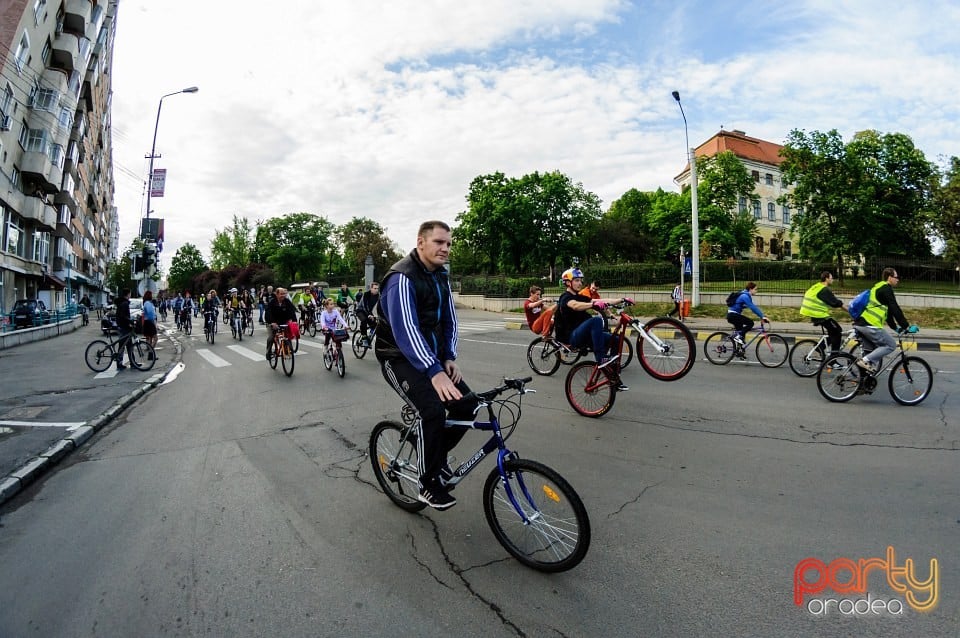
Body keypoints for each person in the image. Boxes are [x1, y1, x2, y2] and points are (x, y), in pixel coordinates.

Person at [376, 220, 476, 510]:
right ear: (421, 243)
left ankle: (434, 457)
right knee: (431, 410)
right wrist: (433, 372)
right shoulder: (401, 278)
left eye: (448, 243)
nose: (446, 248)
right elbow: (405, 331)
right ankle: (427, 483)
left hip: (431, 356)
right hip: (397, 357)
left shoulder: (439, 276)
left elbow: (449, 320)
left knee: (467, 406)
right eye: (439, 242)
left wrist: (448, 357)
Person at [554, 268, 627, 390]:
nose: (580, 283)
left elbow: (600, 300)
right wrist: (592, 305)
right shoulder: (565, 298)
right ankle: (601, 358)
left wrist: (622, 299)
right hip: (573, 336)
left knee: (617, 339)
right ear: (568, 282)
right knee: (596, 320)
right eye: (576, 280)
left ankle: (613, 377)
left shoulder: (579, 296)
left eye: (581, 281)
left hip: (584, 335)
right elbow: (575, 306)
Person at [853, 267, 916, 373]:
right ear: (890, 277)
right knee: (890, 345)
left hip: (862, 323)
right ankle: (864, 361)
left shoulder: (879, 287)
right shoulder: (886, 289)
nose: (898, 279)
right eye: (896, 277)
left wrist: (896, 328)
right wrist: (907, 326)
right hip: (870, 325)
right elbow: (895, 308)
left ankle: (864, 383)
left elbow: (889, 312)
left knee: (871, 352)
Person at [799, 272, 846, 355]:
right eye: (831, 278)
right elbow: (836, 303)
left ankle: (820, 348)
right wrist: (852, 312)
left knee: (833, 332)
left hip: (814, 314)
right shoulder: (824, 290)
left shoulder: (817, 286)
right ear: (826, 278)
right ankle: (832, 360)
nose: (833, 280)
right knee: (837, 331)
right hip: (819, 315)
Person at [726, 282, 768, 346]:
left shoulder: (745, 295)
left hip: (732, 315)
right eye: (755, 289)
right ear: (751, 289)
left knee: (741, 332)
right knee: (750, 323)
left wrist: (761, 316)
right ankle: (738, 337)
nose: (756, 291)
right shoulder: (744, 296)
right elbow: (753, 307)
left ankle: (739, 351)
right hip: (733, 315)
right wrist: (762, 316)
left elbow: (750, 306)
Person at [264, 287, 298, 360]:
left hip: (283, 322)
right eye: (281, 294)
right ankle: (268, 352)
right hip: (273, 323)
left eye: (284, 294)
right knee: (271, 337)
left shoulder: (287, 301)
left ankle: (288, 348)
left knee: (287, 335)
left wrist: (294, 321)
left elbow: (292, 311)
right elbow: (268, 313)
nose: (283, 295)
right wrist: (272, 322)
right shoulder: (272, 302)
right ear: (277, 294)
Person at [114, 288, 134, 370]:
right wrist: (130, 321)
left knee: (129, 345)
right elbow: (123, 315)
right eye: (130, 293)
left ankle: (133, 362)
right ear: (128, 294)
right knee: (122, 345)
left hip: (124, 326)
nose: (130, 295)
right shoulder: (124, 303)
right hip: (124, 326)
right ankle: (119, 363)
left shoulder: (122, 302)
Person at [141, 290, 158, 356]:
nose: (152, 296)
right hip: (149, 322)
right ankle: (151, 353)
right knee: (155, 338)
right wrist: (154, 322)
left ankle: (150, 354)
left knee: (149, 338)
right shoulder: (148, 303)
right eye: (151, 295)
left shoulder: (146, 303)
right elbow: (151, 314)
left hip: (147, 322)